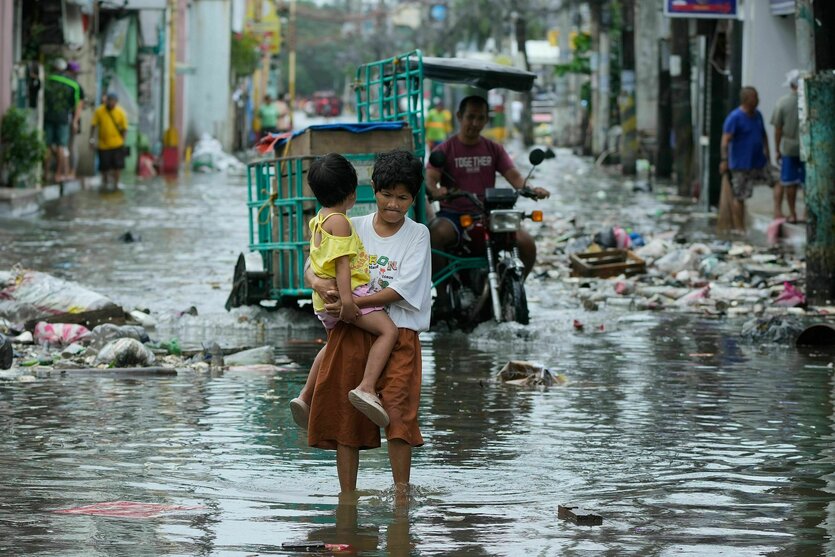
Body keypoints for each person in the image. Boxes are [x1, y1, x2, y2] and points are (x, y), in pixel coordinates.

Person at [303, 149, 430, 495]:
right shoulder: (350, 224)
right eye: (386, 195)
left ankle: (401, 492)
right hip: (353, 331)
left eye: (402, 198)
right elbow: (313, 264)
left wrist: (352, 302)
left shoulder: (418, 235)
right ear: (372, 189)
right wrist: (320, 286)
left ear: (413, 198)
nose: (393, 204)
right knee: (348, 419)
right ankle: (348, 496)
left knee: (399, 414)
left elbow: (402, 289)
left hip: (399, 332)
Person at [290, 153, 399, 429]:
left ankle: (305, 396)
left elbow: (316, 260)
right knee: (388, 332)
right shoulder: (340, 222)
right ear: (351, 193)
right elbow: (342, 266)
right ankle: (366, 386)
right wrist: (350, 305)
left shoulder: (318, 219)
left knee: (331, 346)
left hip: (322, 302)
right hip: (347, 296)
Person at [425, 95, 550, 305]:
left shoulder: (494, 149)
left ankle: (511, 291)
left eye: (480, 118)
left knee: (527, 244)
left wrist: (531, 189)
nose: (475, 123)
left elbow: (515, 177)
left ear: (486, 120)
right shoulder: (444, 150)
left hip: (487, 214)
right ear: (459, 117)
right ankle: (444, 295)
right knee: (434, 235)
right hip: (454, 215)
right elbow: (430, 178)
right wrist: (436, 190)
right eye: (470, 117)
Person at [720, 86, 776, 232]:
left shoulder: (758, 115)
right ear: (746, 99)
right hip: (740, 165)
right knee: (740, 196)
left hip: (759, 162)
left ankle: (778, 213)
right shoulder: (735, 118)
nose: (758, 100)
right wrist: (725, 160)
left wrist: (768, 156)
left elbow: (763, 135)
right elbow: (725, 141)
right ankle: (740, 229)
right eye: (755, 97)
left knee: (777, 182)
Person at [770, 69, 805, 223]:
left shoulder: (782, 103)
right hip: (807, 149)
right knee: (807, 183)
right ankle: (809, 213)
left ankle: (793, 214)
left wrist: (777, 149)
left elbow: (777, 129)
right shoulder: (810, 101)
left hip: (789, 148)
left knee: (790, 183)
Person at [43, 58, 84, 182]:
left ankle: (45, 173)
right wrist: (75, 121)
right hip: (63, 118)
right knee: (62, 146)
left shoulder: (48, 79)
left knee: (47, 145)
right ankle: (58, 174)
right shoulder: (74, 84)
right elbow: (79, 104)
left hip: (48, 116)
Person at [89, 93, 128, 191]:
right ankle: (105, 183)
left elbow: (124, 128)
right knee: (104, 167)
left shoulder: (120, 112)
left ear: (116, 102)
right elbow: (93, 125)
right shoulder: (99, 111)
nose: (111, 103)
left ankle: (116, 184)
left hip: (117, 144)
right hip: (103, 144)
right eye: (110, 100)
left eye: (113, 101)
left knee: (117, 166)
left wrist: (123, 141)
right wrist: (91, 139)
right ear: (106, 101)